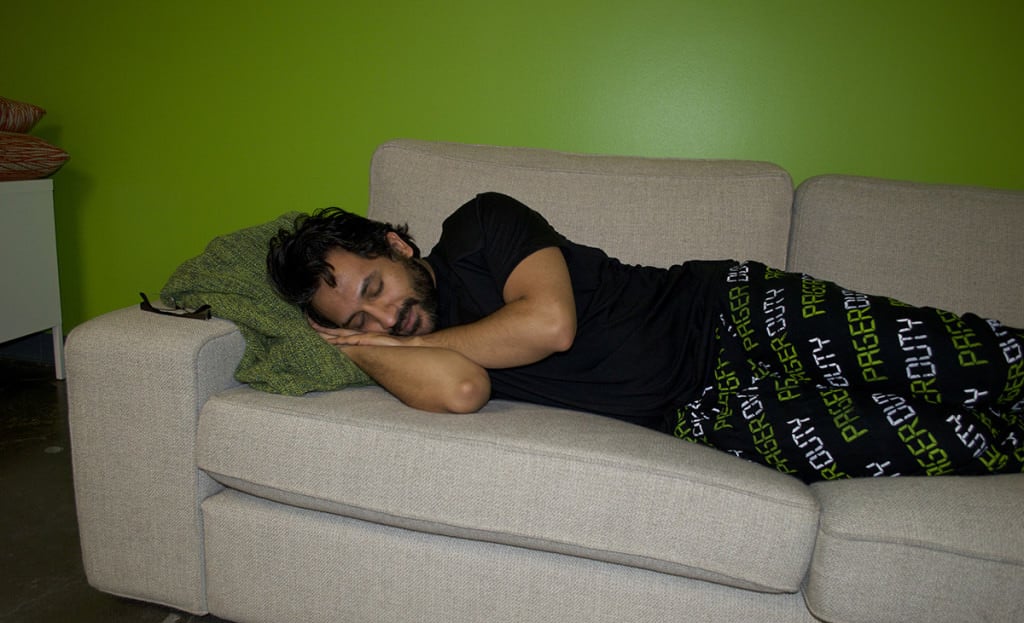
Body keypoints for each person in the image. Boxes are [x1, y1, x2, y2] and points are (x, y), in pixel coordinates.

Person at [267, 192, 1024, 483]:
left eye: (376, 290)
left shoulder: (479, 226)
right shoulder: (415, 350)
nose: (385, 319)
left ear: (397, 245)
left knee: (977, 362)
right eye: (357, 323)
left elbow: (550, 325)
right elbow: (463, 391)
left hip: (731, 313)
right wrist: (370, 349)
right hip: (704, 415)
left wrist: (394, 345)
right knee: (951, 444)